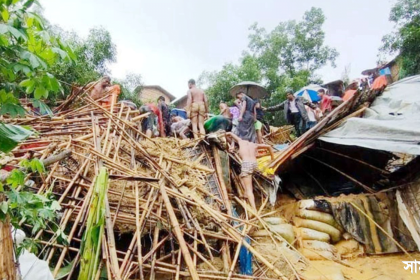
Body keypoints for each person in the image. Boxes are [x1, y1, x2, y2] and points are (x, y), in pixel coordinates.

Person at [226, 132, 274, 211]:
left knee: (249, 190)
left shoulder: (241, 141)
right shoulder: (254, 145)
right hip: (255, 164)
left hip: (247, 164)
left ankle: (254, 209)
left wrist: (225, 134)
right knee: (241, 176)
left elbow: (230, 134)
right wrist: (272, 158)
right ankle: (245, 192)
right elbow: (268, 146)